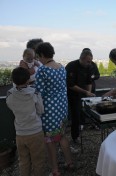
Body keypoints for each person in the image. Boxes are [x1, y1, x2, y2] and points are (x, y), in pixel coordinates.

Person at [35, 42, 73, 176]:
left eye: (38, 57)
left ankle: (55, 170)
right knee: (62, 135)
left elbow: (39, 93)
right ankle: (69, 162)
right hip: (62, 107)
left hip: (49, 111)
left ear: (42, 55)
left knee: (50, 140)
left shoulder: (42, 70)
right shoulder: (62, 68)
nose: (38, 59)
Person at [6, 67, 46, 176]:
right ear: (28, 80)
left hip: (20, 133)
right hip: (35, 132)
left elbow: (10, 106)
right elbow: (41, 110)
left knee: (23, 162)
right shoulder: (35, 93)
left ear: (13, 80)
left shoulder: (10, 95)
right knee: (38, 161)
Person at [65, 49, 96, 143]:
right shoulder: (71, 66)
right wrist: (86, 92)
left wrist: (89, 93)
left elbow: (89, 81)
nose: (89, 63)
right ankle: (75, 136)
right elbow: (70, 85)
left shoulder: (89, 67)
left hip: (84, 93)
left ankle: (90, 126)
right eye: (88, 61)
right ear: (81, 59)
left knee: (88, 112)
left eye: (90, 61)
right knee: (76, 116)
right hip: (72, 94)